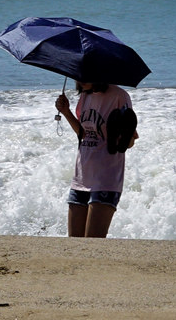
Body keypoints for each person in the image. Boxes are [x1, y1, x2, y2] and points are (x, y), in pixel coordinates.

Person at [54, 80, 135, 238]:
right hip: (81, 177)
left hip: (106, 179)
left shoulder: (119, 96)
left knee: (92, 245)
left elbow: (130, 142)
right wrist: (66, 111)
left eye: (87, 75)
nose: (81, 80)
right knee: (75, 244)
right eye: (79, 75)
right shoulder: (85, 95)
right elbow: (84, 134)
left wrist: (121, 133)